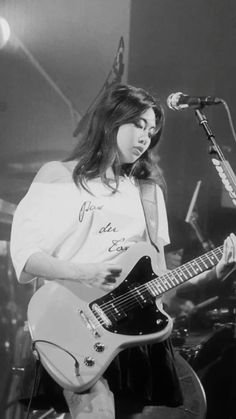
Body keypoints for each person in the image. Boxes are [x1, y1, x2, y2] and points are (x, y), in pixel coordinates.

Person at [10, 83, 236, 419]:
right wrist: (85, 271)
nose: (146, 136)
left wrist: (211, 270)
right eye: (138, 125)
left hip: (135, 334)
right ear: (111, 121)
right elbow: (26, 255)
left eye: (152, 129)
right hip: (76, 325)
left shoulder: (148, 193)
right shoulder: (58, 176)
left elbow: (159, 278)